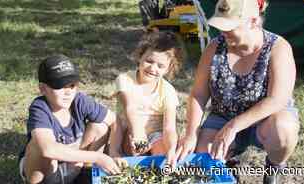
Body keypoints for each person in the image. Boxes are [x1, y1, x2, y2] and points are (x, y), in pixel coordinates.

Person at [176, 0, 299, 183]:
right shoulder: (213, 48)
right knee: (204, 156)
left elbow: (277, 99)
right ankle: (230, 164)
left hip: (264, 119)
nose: (222, 31)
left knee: (284, 130)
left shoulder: (278, 48)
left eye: (230, 26)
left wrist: (234, 126)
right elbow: (198, 95)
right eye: (220, 25)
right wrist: (190, 134)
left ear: (253, 21)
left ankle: (273, 169)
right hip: (223, 116)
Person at [18, 54, 122, 184]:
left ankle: (85, 174)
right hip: (46, 172)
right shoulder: (40, 108)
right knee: (37, 146)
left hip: (74, 163)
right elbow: (48, 149)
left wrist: (114, 151)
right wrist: (98, 157)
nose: (68, 92)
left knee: (100, 126)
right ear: (43, 89)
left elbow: (115, 120)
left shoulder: (79, 100)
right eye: (60, 86)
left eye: (72, 85)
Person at [109, 31, 184, 168]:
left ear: (168, 69)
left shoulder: (168, 91)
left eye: (160, 66)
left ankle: (156, 161)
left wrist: (171, 150)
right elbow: (130, 108)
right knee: (123, 132)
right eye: (149, 61)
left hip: (155, 135)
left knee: (162, 156)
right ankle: (117, 153)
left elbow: (169, 128)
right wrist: (138, 136)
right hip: (131, 131)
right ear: (140, 57)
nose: (152, 68)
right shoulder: (125, 80)